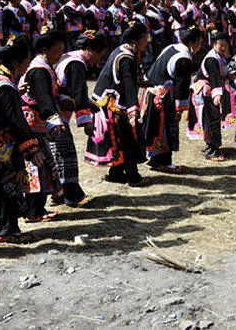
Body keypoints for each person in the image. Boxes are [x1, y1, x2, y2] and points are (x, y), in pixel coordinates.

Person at [0, 34, 47, 241]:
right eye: (26, 62)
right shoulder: (5, 88)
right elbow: (17, 123)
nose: (28, 66)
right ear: (17, 62)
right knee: (8, 185)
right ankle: (8, 230)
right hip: (0, 144)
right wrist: (32, 148)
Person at [87, 21, 148, 186]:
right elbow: (127, 84)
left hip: (111, 99)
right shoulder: (125, 57)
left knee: (120, 140)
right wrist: (133, 110)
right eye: (145, 38)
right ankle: (133, 176)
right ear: (136, 40)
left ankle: (116, 172)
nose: (147, 41)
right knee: (127, 138)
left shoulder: (125, 50)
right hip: (113, 103)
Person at [54, 30, 109, 205]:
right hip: (54, 115)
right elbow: (78, 94)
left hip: (53, 111)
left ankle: (58, 192)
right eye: (100, 54)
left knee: (54, 155)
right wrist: (86, 123)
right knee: (66, 154)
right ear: (91, 50)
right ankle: (72, 195)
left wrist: (87, 104)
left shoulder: (68, 56)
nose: (99, 59)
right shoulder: (77, 64)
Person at [18, 30, 67, 222]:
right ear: (45, 50)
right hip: (32, 124)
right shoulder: (39, 69)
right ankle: (34, 210)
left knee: (43, 166)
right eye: (58, 50)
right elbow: (44, 98)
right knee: (37, 166)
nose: (61, 53)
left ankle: (37, 208)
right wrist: (55, 119)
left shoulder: (44, 66)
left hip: (36, 123)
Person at [143, 28, 202, 172]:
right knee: (166, 129)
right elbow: (182, 86)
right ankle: (163, 163)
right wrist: (180, 109)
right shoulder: (184, 58)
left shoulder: (171, 47)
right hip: (163, 96)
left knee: (157, 129)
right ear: (193, 42)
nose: (201, 45)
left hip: (152, 91)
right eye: (200, 42)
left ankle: (156, 159)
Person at [192, 32, 232, 161]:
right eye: (221, 45)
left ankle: (212, 146)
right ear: (215, 44)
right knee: (210, 120)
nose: (224, 47)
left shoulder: (220, 56)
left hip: (211, 91)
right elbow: (214, 77)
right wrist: (217, 94)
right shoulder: (211, 59)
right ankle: (212, 148)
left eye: (226, 45)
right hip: (206, 93)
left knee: (213, 119)